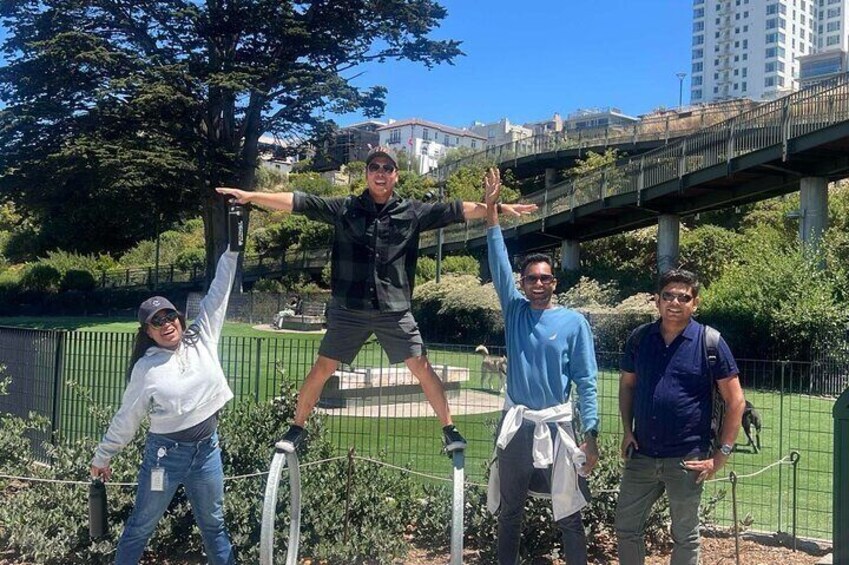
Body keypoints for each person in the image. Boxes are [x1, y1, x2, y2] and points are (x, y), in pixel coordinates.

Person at [217, 146, 536, 452]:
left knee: (422, 366)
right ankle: (297, 427)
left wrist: (496, 207)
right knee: (322, 368)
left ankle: (449, 429)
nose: (380, 173)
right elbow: (298, 202)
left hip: (394, 310)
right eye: (374, 167)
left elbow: (457, 210)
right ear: (367, 173)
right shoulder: (344, 208)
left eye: (387, 168)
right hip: (349, 309)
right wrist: (251, 196)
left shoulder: (412, 211)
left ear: (396, 175)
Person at [90, 247, 239, 565]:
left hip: (207, 452)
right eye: (156, 321)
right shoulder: (146, 369)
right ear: (148, 332)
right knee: (141, 527)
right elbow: (128, 417)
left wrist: (232, 251)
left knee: (214, 526)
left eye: (169, 315)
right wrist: (103, 456)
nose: (166, 323)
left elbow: (219, 291)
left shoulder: (202, 336)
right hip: (165, 459)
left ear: (179, 317)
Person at [483, 167, 599, 565]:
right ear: (522, 283)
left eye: (544, 278)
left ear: (554, 283)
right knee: (510, 512)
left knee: (569, 512)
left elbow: (587, 381)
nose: (537, 283)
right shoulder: (515, 312)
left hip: (559, 427)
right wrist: (492, 211)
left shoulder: (574, 323)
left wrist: (591, 434)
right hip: (517, 426)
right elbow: (498, 264)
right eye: (531, 278)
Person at [615, 268, 746, 565]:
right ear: (657, 300)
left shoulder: (710, 342)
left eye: (683, 297)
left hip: (688, 459)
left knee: (685, 536)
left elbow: (736, 401)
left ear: (695, 303)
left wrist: (721, 454)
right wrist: (627, 430)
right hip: (642, 454)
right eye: (668, 296)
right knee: (626, 528)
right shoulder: (640, 339)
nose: (675, 302)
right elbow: (627, 386)